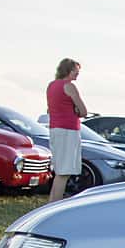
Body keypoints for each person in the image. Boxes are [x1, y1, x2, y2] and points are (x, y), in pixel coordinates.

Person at [45, 58, 88, 203]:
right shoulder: (69, 86)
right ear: (69, 71)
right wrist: (75, 109)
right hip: (68, 130)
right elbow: (83, 111)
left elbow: (50, 108)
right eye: (76, 72)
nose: (77, 75)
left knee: (60, 170)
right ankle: (54, 204)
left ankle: (52, 201)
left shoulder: (51, 86)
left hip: (56, 129)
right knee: (65, 171)